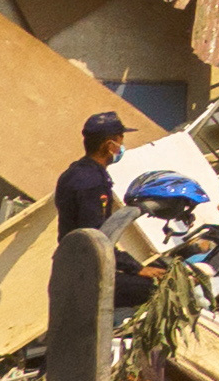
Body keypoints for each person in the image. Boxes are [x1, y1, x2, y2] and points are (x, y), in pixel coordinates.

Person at [51, 111, 154, 314]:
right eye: (120, 140)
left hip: (69, 267)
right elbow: (96, 238)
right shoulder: (92, 184)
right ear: (109, 146)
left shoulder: (74, 172)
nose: (122, 147)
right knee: (156, 289)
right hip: (86, 274)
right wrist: (137, 268)